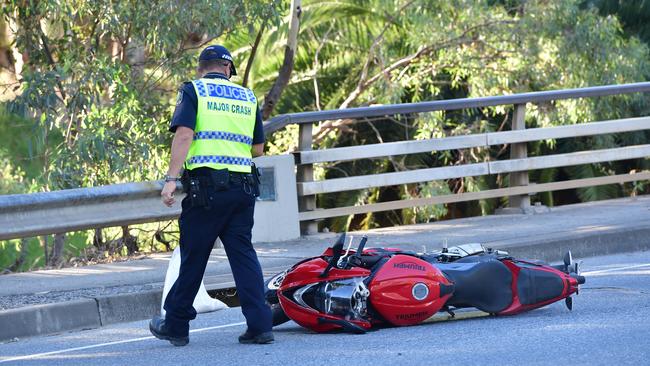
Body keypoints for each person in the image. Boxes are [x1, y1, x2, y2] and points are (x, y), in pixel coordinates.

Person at [149, 45, 273, 346]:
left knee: (193, 256)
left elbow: (184, 134)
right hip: (243, 188)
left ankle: (176, 325)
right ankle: (260, 326)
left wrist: (171, 179)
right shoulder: (247, 96)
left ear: (201, 68)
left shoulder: (194, 90)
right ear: (228, 69)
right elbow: (257, 149)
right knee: (243, 256)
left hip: (207, 190)